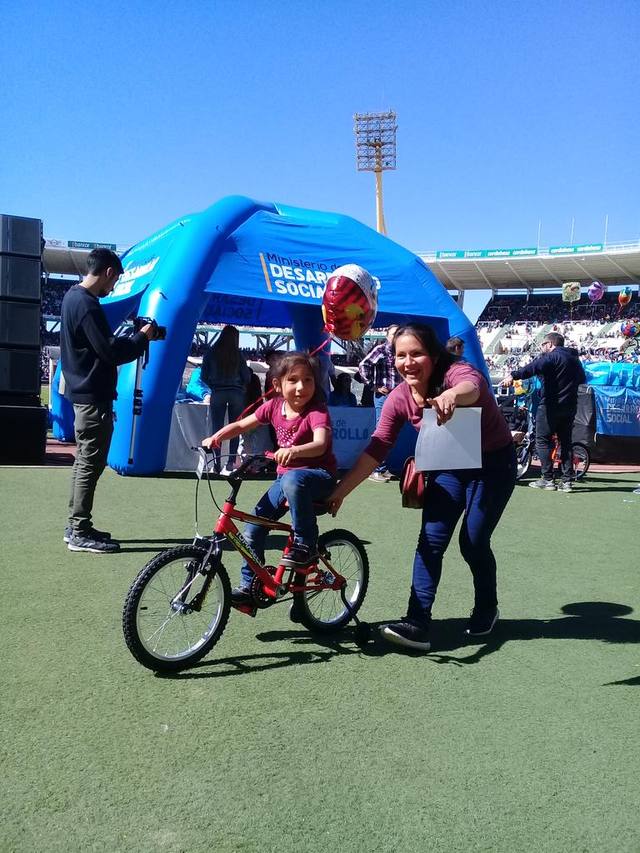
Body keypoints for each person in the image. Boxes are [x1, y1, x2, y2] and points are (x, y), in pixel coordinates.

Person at [329, 322, 516, 652]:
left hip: (493, 465)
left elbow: (473, 387)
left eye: (417, 354)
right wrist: (340, 491)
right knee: (430, 540)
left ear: (433, 355)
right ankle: (417, 623)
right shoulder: (399, 398)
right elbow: (377, 448)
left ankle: (487, 607)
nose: (408, 362)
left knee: (473, 542)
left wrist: (450, 396)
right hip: (450, 466)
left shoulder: (457, 372)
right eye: (401, 356)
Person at [202, 351, 337, 603]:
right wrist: (217, 436)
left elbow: (320, 444)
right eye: (293, 380)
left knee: (292, 479)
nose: (301, 387)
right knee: (253, 528)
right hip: (286, 481)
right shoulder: (274, 406)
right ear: (277, 385)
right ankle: (249, 586)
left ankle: (306, 542)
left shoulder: (317, 411)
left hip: (319, 478)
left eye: (308, 380)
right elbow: (243, 424)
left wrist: (293, 451)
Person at [61, 248, 161, 553]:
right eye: (115, 279)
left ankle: (77, 525)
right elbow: (109, 352)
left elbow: (98, 347)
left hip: (84, 393)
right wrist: (141, 337)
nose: (114, 286)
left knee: (85, 462)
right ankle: (79, 529)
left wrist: (135, 338)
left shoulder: (72, 298)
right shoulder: (87, 304)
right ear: (107, 272)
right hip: (92, 397)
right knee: (90, 463)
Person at [503, 332, 586, 492]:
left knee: (543, 441)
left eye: (543, 345)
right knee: (566, 442)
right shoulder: (575, 360)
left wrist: (513, 375)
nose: (542, 348)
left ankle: (547, 479)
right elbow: (582, 379)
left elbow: (532, 368)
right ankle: (567, 481)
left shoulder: (552, 357)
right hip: (569, 407)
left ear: (550, 344)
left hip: (550, 406)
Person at [201, 325, 251, 474]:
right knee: (235, 428)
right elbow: (246, 377)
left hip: (218, 392)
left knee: (216, 429)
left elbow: (203, 376)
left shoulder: (211, 353)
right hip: (236, 393)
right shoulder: (238, 355)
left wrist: (213, 386)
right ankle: (230, 462)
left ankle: (216, 463)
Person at [358, 325, 400, 482]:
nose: (396, 336)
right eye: (394, 333)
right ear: (387, 335)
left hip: (397, 396)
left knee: (391, 433)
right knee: (382, 432)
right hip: (384, 395)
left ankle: (382, 468)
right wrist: (372, 385)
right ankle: (375, 469)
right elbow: (363, 365)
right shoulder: (381, 349)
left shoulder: (399, 351)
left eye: (399, 333)